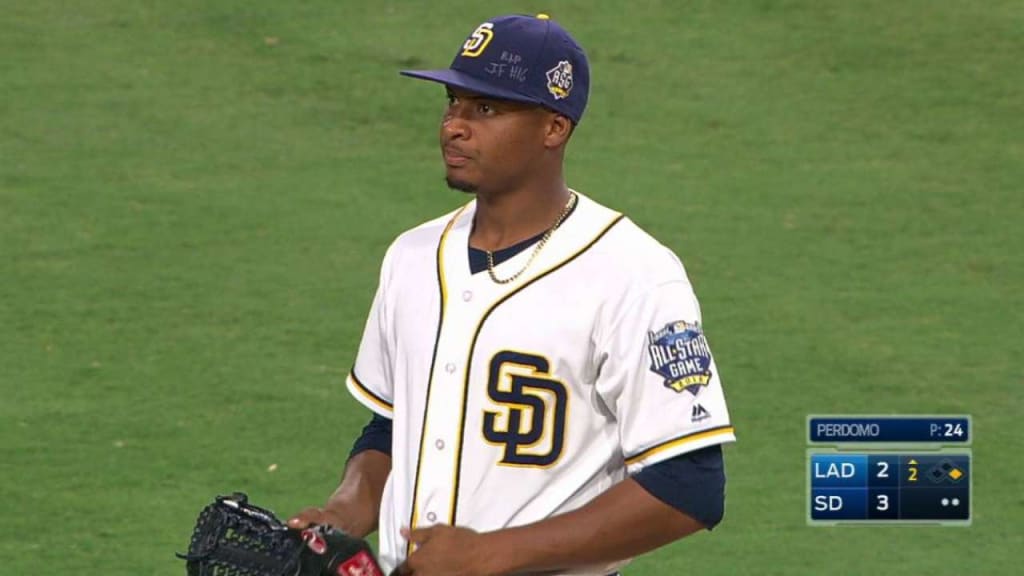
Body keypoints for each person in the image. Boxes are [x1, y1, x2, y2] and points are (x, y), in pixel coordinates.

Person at [289, 13, 736, 576]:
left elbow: (688, 487)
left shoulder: (635, 275)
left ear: (555, 128)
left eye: (487, 109)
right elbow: (393, 425)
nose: (454, 125)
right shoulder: (411, 256)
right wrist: (344, 510)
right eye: (453, 102)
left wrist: (488, 556)